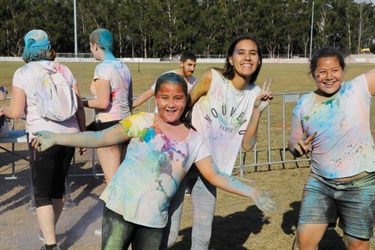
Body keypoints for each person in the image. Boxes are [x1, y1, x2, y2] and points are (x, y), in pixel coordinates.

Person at [31, 72, 278, 249]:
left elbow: (215, 175)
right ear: (156, 98)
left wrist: (252, 192)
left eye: (178, 98)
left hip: (154, 221)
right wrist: (57, 137)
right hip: (120, 208)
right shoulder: (141, 122)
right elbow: (99, 137)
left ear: (186, 100)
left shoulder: (194, 140)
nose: (171, 104)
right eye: (164, 97)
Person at [163, 34, 275, 249]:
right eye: (240, 52)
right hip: (182, 161)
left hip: (211, 169)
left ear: (259, 60)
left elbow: (247, 145)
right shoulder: (212, 77)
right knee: (169, 230)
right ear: (231, 59)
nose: (247, 58)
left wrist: (257, 112)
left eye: (253, 53)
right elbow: (183, 108)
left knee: (203, 233)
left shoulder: (256, 95)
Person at [0, 29, 86, 250]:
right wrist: (83, 136)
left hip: (42, 137)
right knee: (58, 188)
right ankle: (49, 232)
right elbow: (79, 108)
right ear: (49, 47)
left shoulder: (23, 72)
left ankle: (50, 244)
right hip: (70, 136)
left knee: (41, 192)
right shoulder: (65, 70)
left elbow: (17, 111)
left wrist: (4, 111)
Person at [288, 47, 375, 250]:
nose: (329, 77)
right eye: (322, 72)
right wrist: (296, 146)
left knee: (358, 246)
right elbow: (293, 139)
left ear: (342, 70)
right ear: (313, 74)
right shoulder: (304, 104)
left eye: (334, 70)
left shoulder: (358, 88)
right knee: (304, 242)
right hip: (320, 183)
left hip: (360, 184)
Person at [82, 28, 133, 184]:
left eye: (91, 47)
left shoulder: (102, 68)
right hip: (126, 124)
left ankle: (115, 209)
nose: (92, 51)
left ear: (95, 46)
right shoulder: (123, 67)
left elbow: (103, 103)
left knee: (112, 182)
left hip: (108, 126)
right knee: (121, 179)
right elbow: (129, 101)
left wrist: (80, 102)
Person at [132, 51, 197, 109]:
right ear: (181, 64)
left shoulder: (195, 82)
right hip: (161, 119)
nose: (192, 69)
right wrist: (132, 105)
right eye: (189, 65)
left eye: (194, 65)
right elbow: (149, 93)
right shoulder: (167, 77)